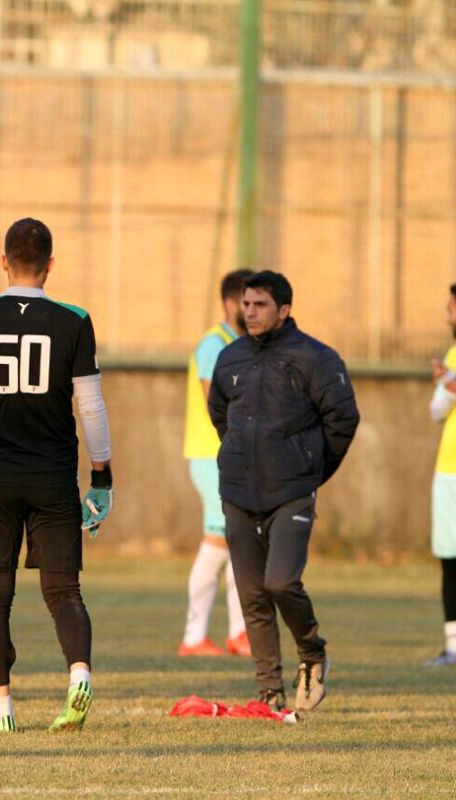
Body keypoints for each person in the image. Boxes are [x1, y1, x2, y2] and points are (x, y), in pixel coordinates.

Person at [0, 217, 113, 733]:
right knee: (64, 592)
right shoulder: (75, 320)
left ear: (3, 260)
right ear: (50, 264)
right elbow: (93, 408)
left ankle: (2, 712)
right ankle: (78, 674)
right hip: (54, 475)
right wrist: (101, 477)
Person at [208, 270, 359, 712]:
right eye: (245, 304)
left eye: (259, 305)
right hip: (238, 492)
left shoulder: (316, 358)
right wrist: (240, 460)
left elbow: (343, 421)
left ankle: (312, 653)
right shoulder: (229, 358)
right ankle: (268, 689)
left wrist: (309, 469)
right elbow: (221, 417)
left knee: (281, 582)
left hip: (292, 491)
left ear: (284, 310)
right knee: (252, 593)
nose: (248, 312)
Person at [179, 269, 251, 658]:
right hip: (211, 456)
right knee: (219, 539)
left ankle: (239, 633)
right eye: (248, 301)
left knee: (240, 540)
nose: (253, 309)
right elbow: (214, 403)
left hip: (231, 456)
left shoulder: (241, 344)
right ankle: (193, 637)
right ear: (230, 302)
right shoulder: (214, 344)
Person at [426, 283, 456, 667]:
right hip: (448, 471)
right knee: (450, 558)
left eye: (453, 307)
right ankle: (453, 646)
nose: (449, 314)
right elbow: (436, 411)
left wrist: (451, 383)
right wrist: (447, 385)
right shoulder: (452, 353)